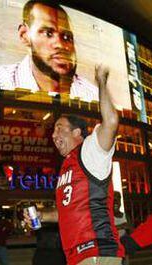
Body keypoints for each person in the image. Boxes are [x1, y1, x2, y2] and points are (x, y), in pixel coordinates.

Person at [24, 65, 122, 265]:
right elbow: (67, 213)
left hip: (96, 250)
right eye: (53, 130)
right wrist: (42, 215)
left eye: (60, 128)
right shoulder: (67, 165)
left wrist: (101, 81)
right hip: (77, 256)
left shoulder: (90, 151)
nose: (53, 135)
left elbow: (111, 121)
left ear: (77, 132)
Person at [0, 0, 99, 102]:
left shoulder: (94, 96)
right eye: (48, 33)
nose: (60, 44)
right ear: (24, 35)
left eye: (67, 37)